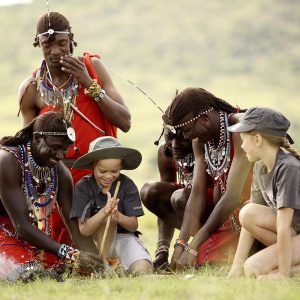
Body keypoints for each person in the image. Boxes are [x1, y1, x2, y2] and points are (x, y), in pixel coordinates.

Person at [18, 11, 131, 245]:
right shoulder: (31, 88)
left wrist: (88, 83)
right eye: (48, 44)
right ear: (38, 43)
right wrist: (40, 188)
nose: (56, 51)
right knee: (63, 255)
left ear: (71, 40)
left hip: (99, 177)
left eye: (62, 43)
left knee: (106, 248)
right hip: (58, 181)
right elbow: (30, 149)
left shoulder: (93, 68)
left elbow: (125, 121)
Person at [0, 111, 103, 282]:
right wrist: (70, 253)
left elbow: (73, 223)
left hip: (25, 233)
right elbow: (22, 226)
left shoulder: (60, 172)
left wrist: (98, 261)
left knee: (65, 268)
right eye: (55, 147)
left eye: (65, 149)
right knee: (31, 272)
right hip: (11, 231)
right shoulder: (7, 161)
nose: (60, 156)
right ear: (38, 138)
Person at [162, 87, 253, 271]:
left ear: (204, 119)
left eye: (187, 131)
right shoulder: (201, 141)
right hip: (230, 221)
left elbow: (232, 195)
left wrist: (193, 246)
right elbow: (197, 193)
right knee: (202, 263)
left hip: (257, 216)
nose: (187, 138)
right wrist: (181, 244)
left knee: (208, 260)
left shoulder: (239, 128)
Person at [227, 107, 300, 279]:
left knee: (254, 267)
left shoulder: (288, 168)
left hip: (290, 230)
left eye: (244, 139)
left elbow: (283, 225)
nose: (242, 146)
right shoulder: (260, 167)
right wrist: (236, 266)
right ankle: (290, 264)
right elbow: (250, 219)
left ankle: (287, 271)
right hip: (293, 234)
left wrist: (282, 273)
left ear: (258, 139)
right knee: (248, 213)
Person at [70, 136, 153, 276]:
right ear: (92, 166)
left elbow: (133, 225)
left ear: (121, 167)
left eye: (115, 171)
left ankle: (121, 269)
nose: (108, 176)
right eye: (102, 171)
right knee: (103, 222)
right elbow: (84, 230)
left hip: (123, 238)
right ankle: (107, 267)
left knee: (143, 269)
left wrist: (118, 217)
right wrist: (104, 212)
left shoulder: (127, 185)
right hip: (95, 243)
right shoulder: (83, 187)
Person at [141, 126, 194, 270]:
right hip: (186, 207)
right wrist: (162, 249)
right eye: (169, 136)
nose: (175, 144)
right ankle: (163, 254)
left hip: (211, 207)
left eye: (182, 136)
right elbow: (164, 205)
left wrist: (181, 245)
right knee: (150, 191)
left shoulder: (202, 144)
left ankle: (197, 247)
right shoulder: (165, 152)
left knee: (181, 197)